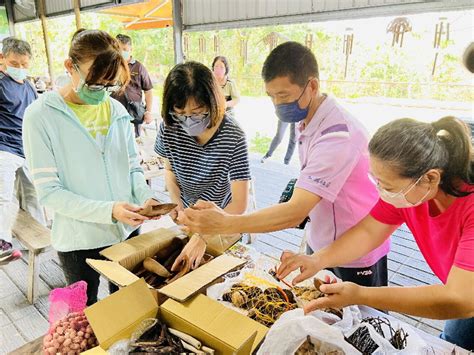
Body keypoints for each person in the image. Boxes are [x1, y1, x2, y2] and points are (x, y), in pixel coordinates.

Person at [178, 42, 390, 287]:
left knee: (358, 319)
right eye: (272, 97)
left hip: (354, 253)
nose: (278, 105)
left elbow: (295, 212)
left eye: (284, 96)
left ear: (312, 86)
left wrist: (225, 223)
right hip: (322, 240)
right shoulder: (310, 119)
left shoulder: (337, 135)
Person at [277, 116, 474, 350]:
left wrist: (361, 294)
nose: (381, 192)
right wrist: (317, 259)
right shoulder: (411, 189)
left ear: (431, 177)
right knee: (454, 341)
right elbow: (369, 231)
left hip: (463, 292)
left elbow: (459, 300)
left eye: (387, 186)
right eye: (377, 181)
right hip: (461, 287)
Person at [22, 29, 158, 305]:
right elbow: (50, 192)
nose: (103, 94)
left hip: (127, 229)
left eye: (110, 86)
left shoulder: (117, 112)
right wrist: (109, 211)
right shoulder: (41, 117)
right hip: (79, 240)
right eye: (96, 85)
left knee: (127, 306)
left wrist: (145, 198)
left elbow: (132, 167)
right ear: (70, 67)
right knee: (85, 317)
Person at [155, 61, 250, 271]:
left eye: (197, 112)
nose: (188, 120)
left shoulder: (233, 135)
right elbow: (169, 170)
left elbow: (240, 203)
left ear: (213, 102)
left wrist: (204, 235)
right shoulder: (170, 127)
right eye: (180, 112)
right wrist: (176, 203)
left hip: (225, 220)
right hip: (189, 219)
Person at [0, 37, 45, 265]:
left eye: (24, 65)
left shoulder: (27, 86)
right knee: (4, 196)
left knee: (34, 194)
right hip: (3, 148)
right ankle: (2, 242)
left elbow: (35, 115)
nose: (19, 69)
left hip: (25, 147)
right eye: (14, 64)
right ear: (2, 60)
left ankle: (41, 234)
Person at [112, 34, 154, 137]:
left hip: (135, 112)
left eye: (124, 49)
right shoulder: (111, 66)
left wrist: (148, 112)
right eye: (118, 48)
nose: (121, 52)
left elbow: (148, 91)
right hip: (115, 112)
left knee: (135, 141)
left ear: (131, 49)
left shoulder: (138, 67)